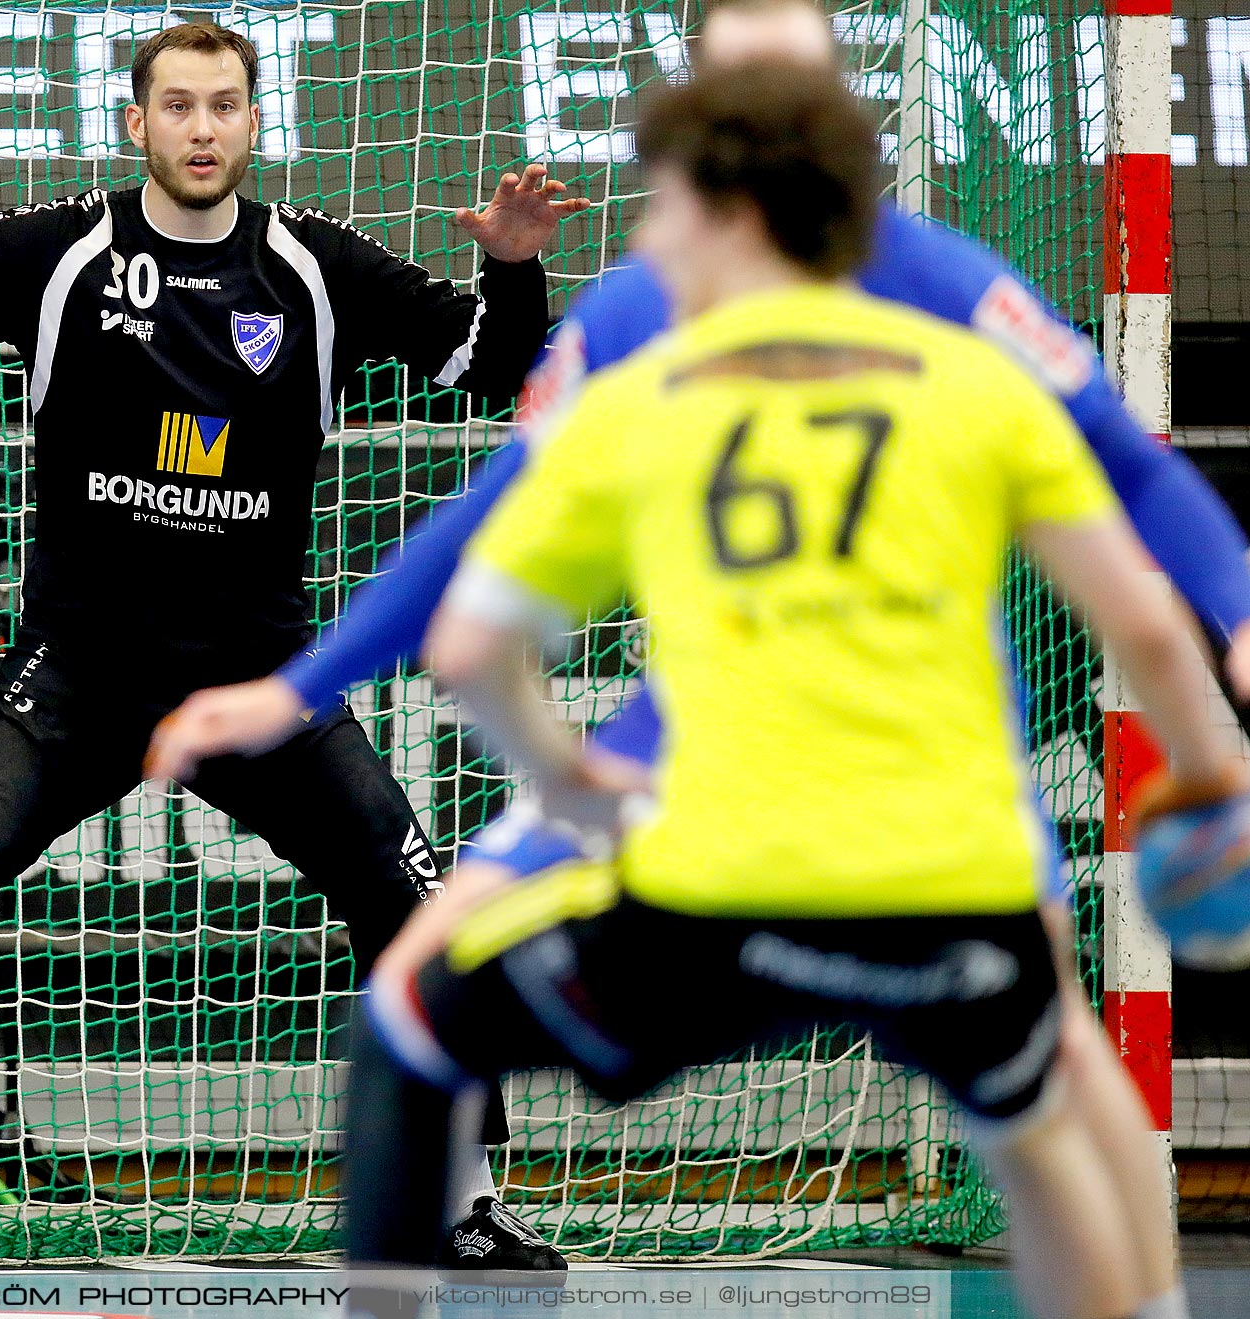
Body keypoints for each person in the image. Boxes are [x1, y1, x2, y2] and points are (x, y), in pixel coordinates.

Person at [148, 4, 1231, 1305]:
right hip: (849, 783)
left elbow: (477, 623)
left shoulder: (915, 288)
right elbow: (1137, 592)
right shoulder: (764, 329)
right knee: (1031, 1072)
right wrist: (1220, 765)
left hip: (751, 819)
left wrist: (1238, 596)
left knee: (417, 1012)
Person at [0, 20, 589, 1288]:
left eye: (226, 107)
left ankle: (468, 1201)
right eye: (179, 107)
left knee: (414, 901)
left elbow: (497, 364)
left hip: (262, 682)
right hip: (78, 675)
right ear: (137, 124)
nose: (203, 128)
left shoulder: (314, 269)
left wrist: (517, 270)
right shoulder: (60, 252)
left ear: (255, 126)